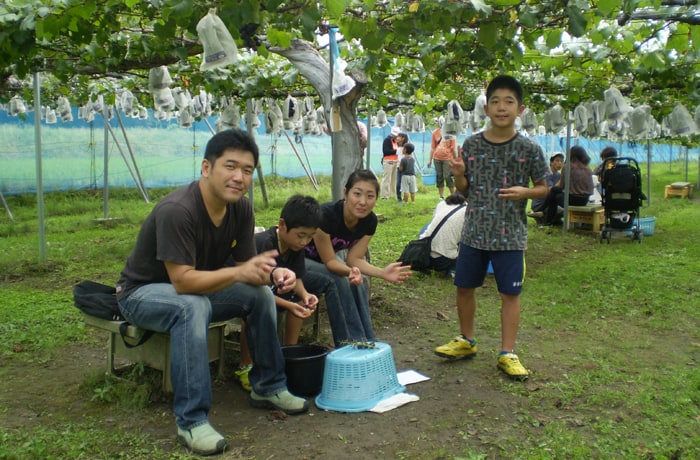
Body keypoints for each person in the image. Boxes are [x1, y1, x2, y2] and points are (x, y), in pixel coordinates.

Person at [115, 129, 309, 457]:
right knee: (191, 306)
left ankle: (269, 387)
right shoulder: (178, 209)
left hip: (196, 291)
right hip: (141, 294)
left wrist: (275, 272)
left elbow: (250, 268)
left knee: (259, 296)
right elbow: (183, 283)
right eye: (230, 166)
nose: (239, 177)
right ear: (207, 168)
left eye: (247, 170)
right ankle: (191, 420)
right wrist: (238, 273)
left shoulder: (241, 209)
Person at [434, 75, 548, 381]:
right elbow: (466, 189)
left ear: (520, 109)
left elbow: (544, 188)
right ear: (486, 108)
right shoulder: (471, 144)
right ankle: (466, 341)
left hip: (510, 235)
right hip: (474, 232)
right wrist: (458, 174)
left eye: (508, 101)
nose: (501, 107)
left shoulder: (529, 149)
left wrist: (526, 193)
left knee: (510, 294)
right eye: (495, 101)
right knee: (464, 287)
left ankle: (507, 352)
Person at [304, 169, 412, 345]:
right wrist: (350, 271)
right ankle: (348, 344)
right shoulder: (326, 215)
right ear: (345, 193)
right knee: (338, 279)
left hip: (326, 265)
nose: (363, 202)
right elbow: (331, 262)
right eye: (357, 194)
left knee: (357, 282)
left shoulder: (369, 221)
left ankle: (368, 339)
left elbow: (354, 259)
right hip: (298, 264)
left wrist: (382, 272)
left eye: (370, 196)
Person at [234, 195, 323, 392]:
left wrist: (305, 295)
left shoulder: (295, 247)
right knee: (254, 311)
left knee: (301, 302)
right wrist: (291, 305)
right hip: (245, 291)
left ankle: (288, 354)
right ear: (282, 225)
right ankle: (245, 365)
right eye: (301, 235)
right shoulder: (265, 244)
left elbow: (298, 278)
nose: (305, 242)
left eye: (310, 237)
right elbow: (256, 290)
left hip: (274, 291)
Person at [540, 145, 594, 226]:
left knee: (554, 193)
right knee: (554, 192)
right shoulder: (588, 169)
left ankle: (543, 214)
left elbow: (561, 186)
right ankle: (549, 218)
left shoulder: (568, 167)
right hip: (584, 200)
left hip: (572, 200)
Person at [418, 191, 466, 276]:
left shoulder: (442, 204)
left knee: (431, 227)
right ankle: (453, 270)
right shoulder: (469, 210)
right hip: (442, 261)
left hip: (421, 255)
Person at [528, 152, 564, 222]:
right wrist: (562, 180)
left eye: (561, 161)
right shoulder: (546, 174)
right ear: (551, 162)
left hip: (551, 203)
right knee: (562, 211)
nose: (560, 163)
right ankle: (541, 214)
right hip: (540, 203)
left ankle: (549, 219)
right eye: (557, 160)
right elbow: (550, 190)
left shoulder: (558, 175)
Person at [427, 118, 458, 199]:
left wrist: (456, 159)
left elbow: (453, 148)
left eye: (438, 122)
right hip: (436, 158)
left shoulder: (451, 133)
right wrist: (430, 160)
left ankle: (453, 195)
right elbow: (432, 148)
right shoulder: (435, 133)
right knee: (439, 176)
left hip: (447, 158)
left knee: (448, 176)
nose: (437, 123)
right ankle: (441, 196)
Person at [380, 126, 400, 199]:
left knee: (393, 179)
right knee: (387, 179)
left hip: (395, 161)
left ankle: (392, 195)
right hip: (388, 161)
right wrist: (396, 151)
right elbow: (386, 151)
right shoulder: (387, 140)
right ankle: (385, 196)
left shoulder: (396, 141)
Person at [395, 132, 409, 202]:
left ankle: (405, 199)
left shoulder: (406, 148)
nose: (397, 138)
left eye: (399, 136)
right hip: (398, 167)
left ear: (403, 138)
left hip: (405, 168)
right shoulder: (398, 147)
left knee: (405, 184)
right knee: (398, 184)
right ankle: (399, 198)